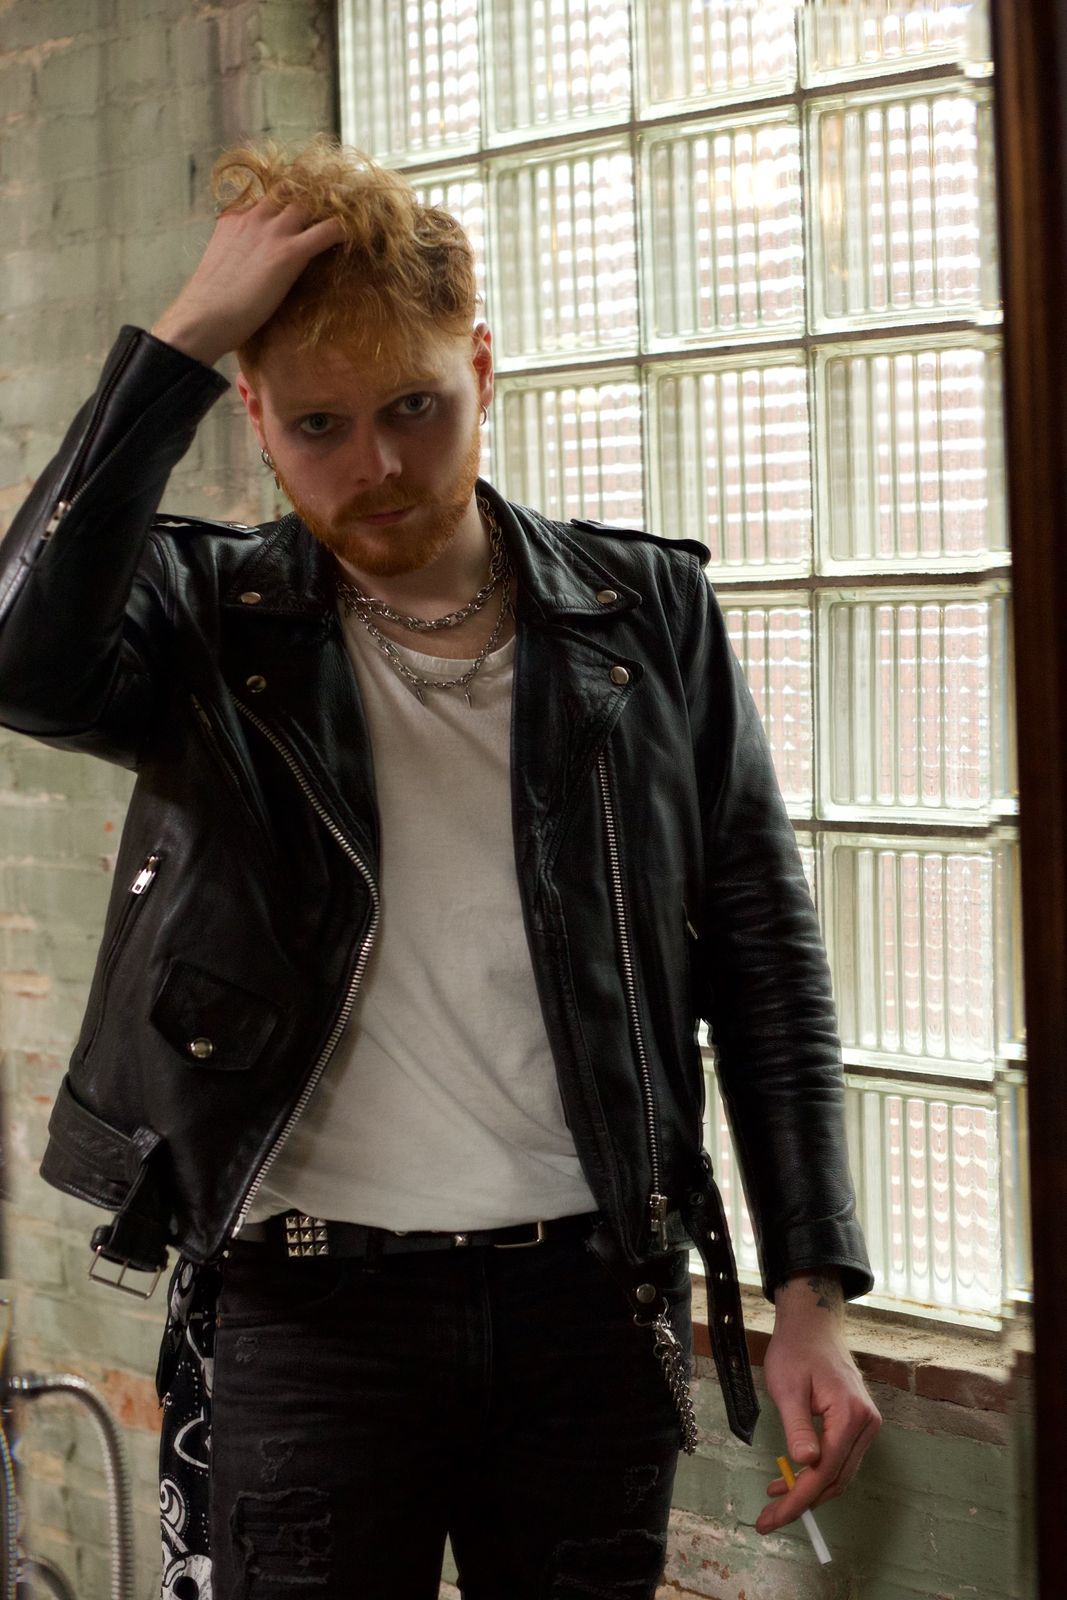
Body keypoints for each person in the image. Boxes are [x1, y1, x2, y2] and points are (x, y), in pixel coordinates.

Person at [0, 138, 880, 1599]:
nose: (381, 466)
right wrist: (182, 338)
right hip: (308, 1312)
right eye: (321, 424)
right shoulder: (207, 620)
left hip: (588, 1301)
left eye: (415, 405)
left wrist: (811, 1290)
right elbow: (20, 662)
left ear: (480, 366)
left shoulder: (644, 613)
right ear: (256, 418)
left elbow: (762, 952)